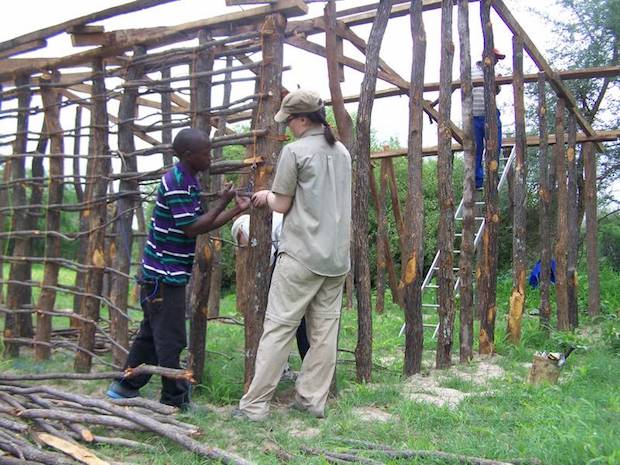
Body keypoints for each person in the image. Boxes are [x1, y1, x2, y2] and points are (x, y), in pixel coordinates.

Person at [106, 128, 250, 409]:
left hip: (164, 274)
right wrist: (223, 201)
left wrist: (235, 210)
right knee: (171, 340)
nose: (210, 157)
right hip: (162, 276)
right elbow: (191, 229)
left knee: (149, 336)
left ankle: (124, 386)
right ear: (188, 155)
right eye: (205, 153)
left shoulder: (189, 180)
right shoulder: (176, 183)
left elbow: (202, 224)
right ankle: (174, 399)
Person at [234, 89, 351, 421]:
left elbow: (282, 204)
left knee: (278, 328)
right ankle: (312, 401)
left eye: (289, 121)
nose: (287, 127)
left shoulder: (295, 151)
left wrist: (264, 196)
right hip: (336, 258)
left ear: (302, 119)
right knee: (324, 333)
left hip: (301, 255)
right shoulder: (342, 152)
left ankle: (255, 406)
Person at [231, 212, 310, 369]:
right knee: (303, 323)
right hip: (310, 258)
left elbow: (266, 260)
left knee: (286, 321)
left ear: (241, 231)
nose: (244, 248)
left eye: (241, 243)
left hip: (297, 261)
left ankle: (278, 368)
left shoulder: (252, 227)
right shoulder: (274, 221)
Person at [473, 47, 505, 190]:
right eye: (496, 58)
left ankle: (492, 178)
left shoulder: (493, 73)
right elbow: (454, 85)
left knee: (494, 147)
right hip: (475, 116)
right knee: (476, 149)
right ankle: (477, 181)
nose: (497, 61)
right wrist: (435, 102)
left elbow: (496, 92)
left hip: (491, 115)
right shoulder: (470, 71)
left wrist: (497, 83)